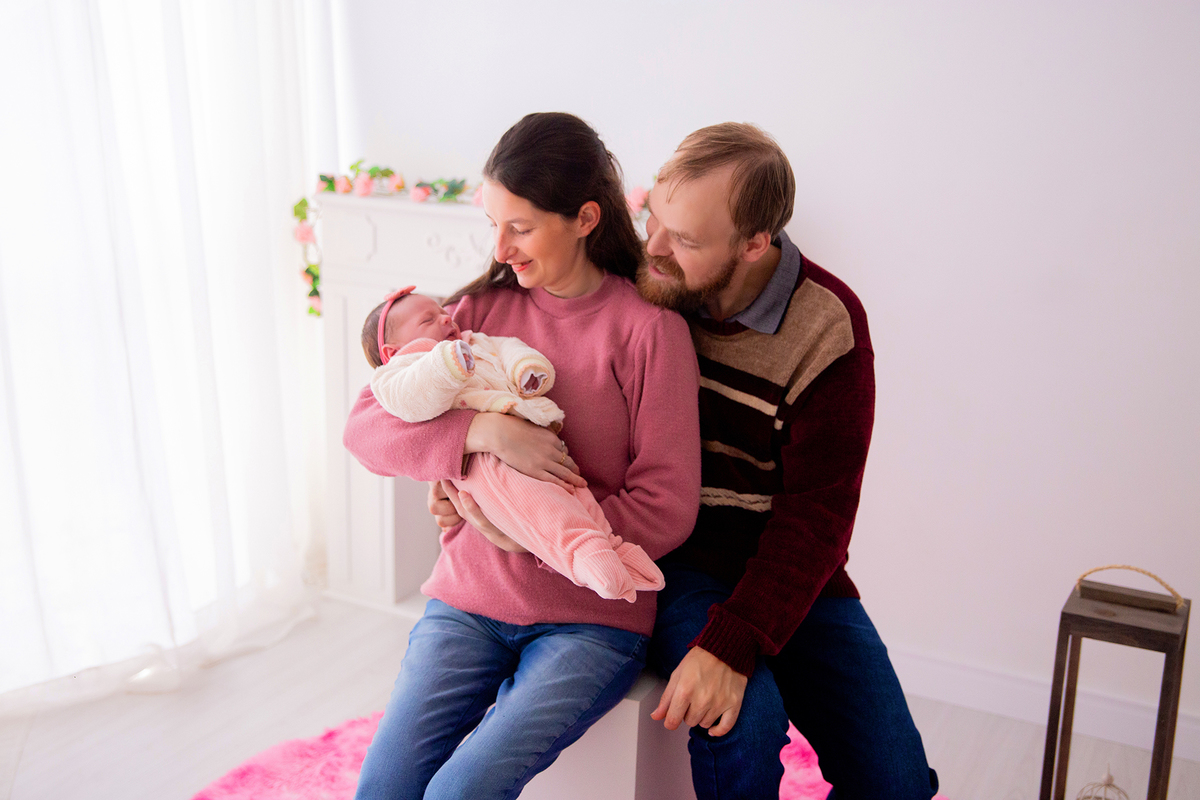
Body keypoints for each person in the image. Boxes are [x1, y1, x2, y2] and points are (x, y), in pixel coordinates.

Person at [430, 121, 940, 799]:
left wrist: (738, 639)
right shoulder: (646, 290)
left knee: (898, 780)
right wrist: (473, 475)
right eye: (653, 220)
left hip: (789, 567)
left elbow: (817, 518)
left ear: (755, 244)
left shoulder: (826, 325)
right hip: (679, 560)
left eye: (687, 239)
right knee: (744, 721)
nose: (655, 249)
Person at [342, 112, 701, 800]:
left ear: (586, 218)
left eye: (522, 226)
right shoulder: (474, 313)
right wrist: (482, 434)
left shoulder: (649, 333)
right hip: (468, 602)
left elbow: (668, 503)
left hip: (590, 622)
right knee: (383, 790)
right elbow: (366, 429)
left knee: (458, 793)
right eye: (493, 224)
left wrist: (532, 534)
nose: (501, 247)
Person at [361, 286, 666, 602]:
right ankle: (582, 551)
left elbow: (507, 350)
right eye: (429, 319)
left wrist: (526, 370)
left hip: (540, 444)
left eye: (442, 312)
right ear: (393, 353)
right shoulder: (407, 368)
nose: (446, 317)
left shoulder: (471, 338)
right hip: (485, 464)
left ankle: (613, 548)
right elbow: (395, 407)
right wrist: (484, 429)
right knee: (537, 501)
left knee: (571, 490)